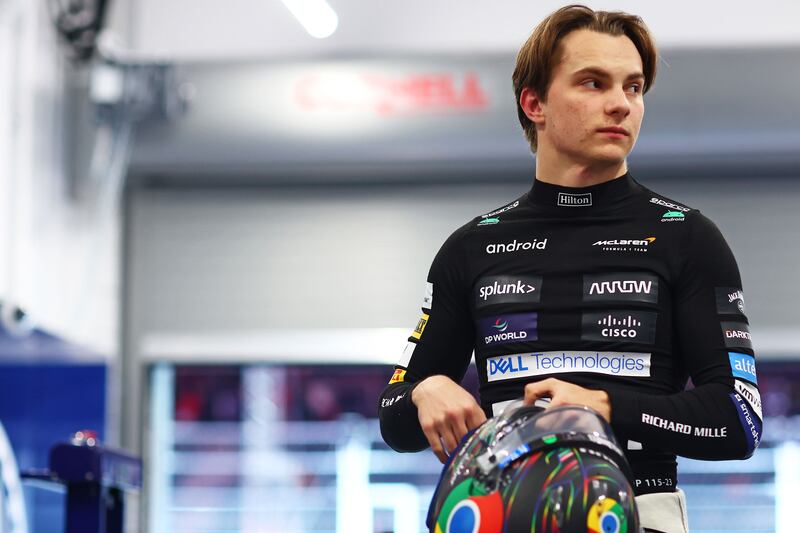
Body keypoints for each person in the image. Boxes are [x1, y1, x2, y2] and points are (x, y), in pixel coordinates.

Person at [378, 4, 761, 532]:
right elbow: (395, 418)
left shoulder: (687, 237)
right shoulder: (471, 247)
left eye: (633, 87)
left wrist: (602, 405)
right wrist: (424, 390)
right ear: (534, 103)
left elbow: (739, 422)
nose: (621, 105)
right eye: (593, 83)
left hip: (638, 514)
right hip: (505, 513)